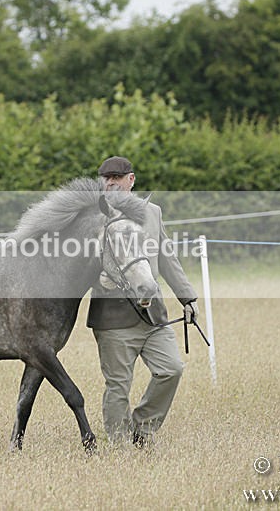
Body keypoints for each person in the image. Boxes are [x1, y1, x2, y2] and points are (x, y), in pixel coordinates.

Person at [87, 156, 199, 448]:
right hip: (113, 317)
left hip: (154, 315)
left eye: (117, 177)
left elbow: (167, 257)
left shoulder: (153, 213)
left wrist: (186, 297)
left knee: (171, 369)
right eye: (106, 178)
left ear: (131, 179)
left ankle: (143, 429)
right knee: (118, 387)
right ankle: (120, 445)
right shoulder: (93, 216)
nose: (110, 182)